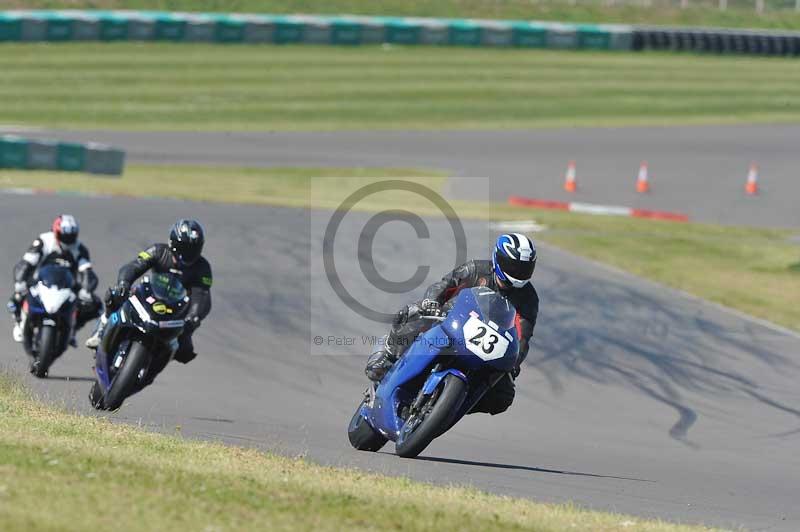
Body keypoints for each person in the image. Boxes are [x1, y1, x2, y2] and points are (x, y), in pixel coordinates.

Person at [364, 233, 539, 416]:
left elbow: (523, 336)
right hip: (451, 322)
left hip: (486, 350)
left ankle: (452, 407)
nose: (517, 273)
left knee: (504, 395)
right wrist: (431, 302)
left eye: (524, 268)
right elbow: (444, 285)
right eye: (513, 266)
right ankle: (388, 355)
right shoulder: (475, 269)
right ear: (498, 258)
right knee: (415, 315)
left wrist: (514, 362)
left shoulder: (528, 298)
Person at [85, 219, 212, 382]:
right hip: (148, 296)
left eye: (194, 248)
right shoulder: (158, 251)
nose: (189, 253)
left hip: (177, 310)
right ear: (174, 242)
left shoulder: (202, 267)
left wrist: (194, 316)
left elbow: (202, 295)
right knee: (114, 295)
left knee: (185, 350)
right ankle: (102, 328)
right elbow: (134, 266)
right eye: (186, 248)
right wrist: (124, 283)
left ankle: (150, 371)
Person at [7, 214, 102, 345]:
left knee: (95, 305)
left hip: (67, 285)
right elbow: (26, 263)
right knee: (17, 296)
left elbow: (87, 272)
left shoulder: (79, 249)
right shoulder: (44, 241)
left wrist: (87, 289)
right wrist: (20, 282)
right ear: (56, 232)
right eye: (64, 236)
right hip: (41, 281)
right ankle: (20, 322)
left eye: (71, 237)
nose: (67, 240)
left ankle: (73, 328)